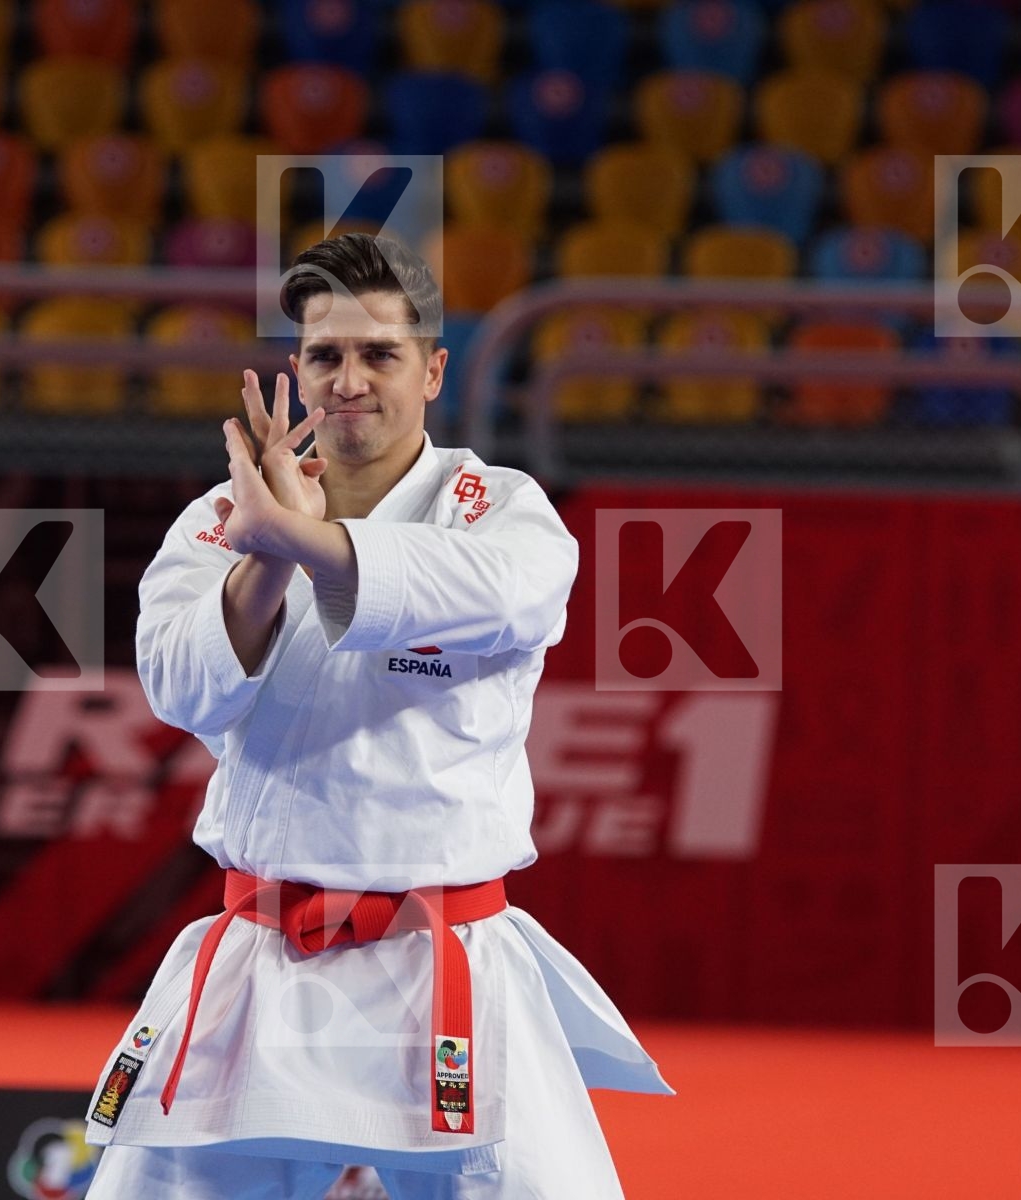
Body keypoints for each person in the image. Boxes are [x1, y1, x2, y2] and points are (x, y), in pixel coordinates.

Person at [81, 233, 672, 1198]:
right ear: (295, 373)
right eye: (325, 356)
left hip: (448, 959)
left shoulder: (498, 508)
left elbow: (513, 595)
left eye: (379, 354)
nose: (349, 380)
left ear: (433, 371)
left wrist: (304, 537)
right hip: (260, 959)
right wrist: (264, 552)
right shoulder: (220, 520)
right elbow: (179, 688)